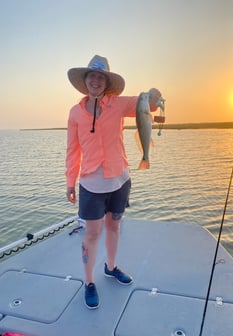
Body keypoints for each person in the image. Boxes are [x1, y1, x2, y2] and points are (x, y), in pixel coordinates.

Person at [65, 55, 161, 309]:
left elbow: (148, 105)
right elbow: (72, 150)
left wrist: (153, 95)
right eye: (91, 76)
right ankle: (88, 282)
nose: (95, 80)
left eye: (100, 76)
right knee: (92, 234)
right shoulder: (75, 113)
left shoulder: (119, 104)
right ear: (84, 81)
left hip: (120, 178)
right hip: (91, 183)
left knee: (115, 227)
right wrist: (69, 181)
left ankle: (111, 267)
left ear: (106, 82)